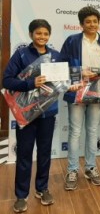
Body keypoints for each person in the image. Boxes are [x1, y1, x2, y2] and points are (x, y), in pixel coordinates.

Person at [3, 19, 58, 212]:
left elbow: (63, 82)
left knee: (44, 153)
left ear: (49, 35)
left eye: (45, 34)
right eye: (38, 33)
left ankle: (42, 189)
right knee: (25, 154)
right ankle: (21, 195)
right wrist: (30, 83)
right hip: (26, 114)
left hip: (48, 113)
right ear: (31, 35)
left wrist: (73, 85)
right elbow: (7, 81)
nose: (42, 37)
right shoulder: (21, 55)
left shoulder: (55, 55)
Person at [60, 6, 100, 190]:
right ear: (81, 24)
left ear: (99, 22)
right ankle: (72, 170)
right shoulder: (72, 41)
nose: (92, 24)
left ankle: (91, 168)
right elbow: (62, 65)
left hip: (97, 92)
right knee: (75, 132)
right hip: (77, 91)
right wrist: (81, 73)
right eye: (88, 21)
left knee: (92, 131)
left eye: (95, 21)